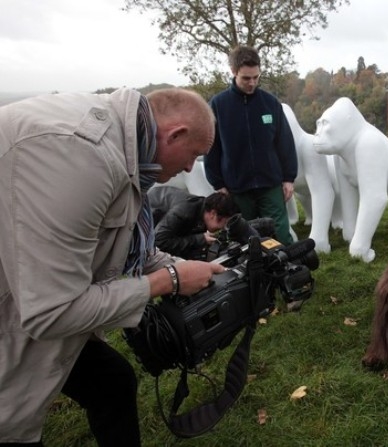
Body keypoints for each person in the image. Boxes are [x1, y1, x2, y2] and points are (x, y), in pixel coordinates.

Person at [0, 87, 226, 446]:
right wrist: (167, 280)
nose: (188, 167)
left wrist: (183, 268)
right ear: (176, 134)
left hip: (32, 294)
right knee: (13, 427)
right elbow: (52, 312)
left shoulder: (129, 147)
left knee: (112, 381)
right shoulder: (81, 159)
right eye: (194, 155)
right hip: (20, 311)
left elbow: (126, 245)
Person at [204, 45, 298, 246]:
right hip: (237, 187)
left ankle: (290, 272)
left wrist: (289, 178)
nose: (252, 83)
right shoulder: (218, 105)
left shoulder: (270, 103)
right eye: (246, 78)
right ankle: (255, 276)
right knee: (246, 238)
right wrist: (218, 184)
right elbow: (211, 147)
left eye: (256, 77)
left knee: (280, 233)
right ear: (233, 72)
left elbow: (285, 142)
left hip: (270, 183)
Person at [149, 186, 239, 260]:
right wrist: (199, 239)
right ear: (213, 214)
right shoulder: (183, 212)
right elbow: (159, 241)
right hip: (151, 226)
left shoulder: (202, 208)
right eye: (223, 224)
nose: (223, 228)